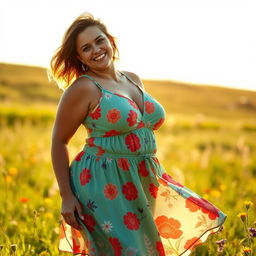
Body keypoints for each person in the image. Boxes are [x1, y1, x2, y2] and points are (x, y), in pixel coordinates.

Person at [50, 12, 227, 256]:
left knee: (147, 249)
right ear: (79, 57)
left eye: (99, 41)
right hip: (103, 182)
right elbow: (59, 141)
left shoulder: (132, 79)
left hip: (142, 179)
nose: (96, 50)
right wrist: (66, 196)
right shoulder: (83, 88)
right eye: (86, 48)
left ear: (110, 41)